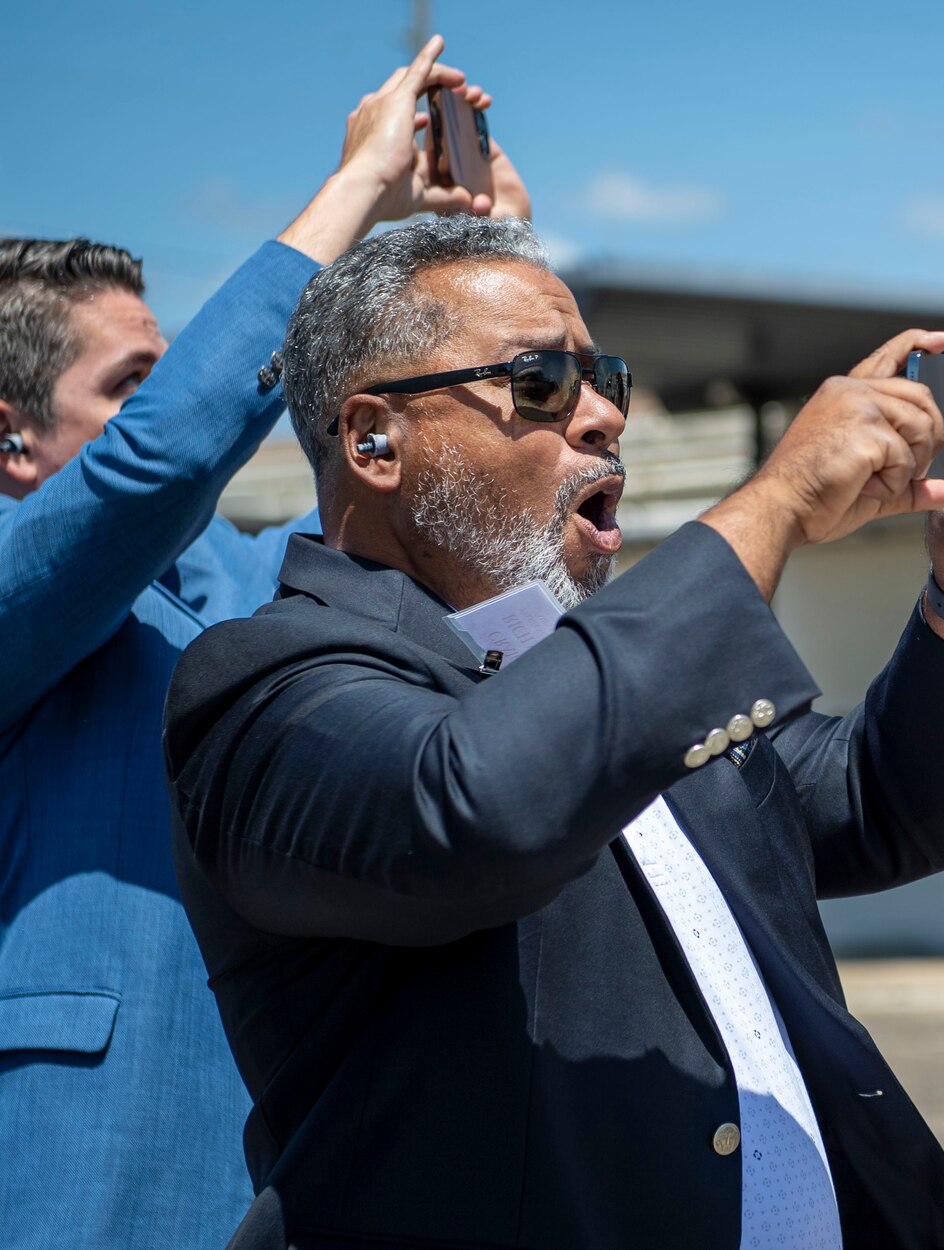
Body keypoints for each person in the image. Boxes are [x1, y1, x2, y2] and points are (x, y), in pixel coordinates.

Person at [164, 211, 944, 1249]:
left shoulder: (609, 676)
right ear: (373, 438)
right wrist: (773, 500)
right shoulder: (265, 682)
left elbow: (879, 800)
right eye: (543, 384)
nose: (602, 415)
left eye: (604, 379)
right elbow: (476, 808)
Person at [0, 37, 521, 1247]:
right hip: (96, 1172)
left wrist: (473, 260)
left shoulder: (238, 572)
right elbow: (163, 460)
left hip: (316, 1166)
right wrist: (352, 191)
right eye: (138, 379)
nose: (186, 394)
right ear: (13, 439)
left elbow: (427, 510)